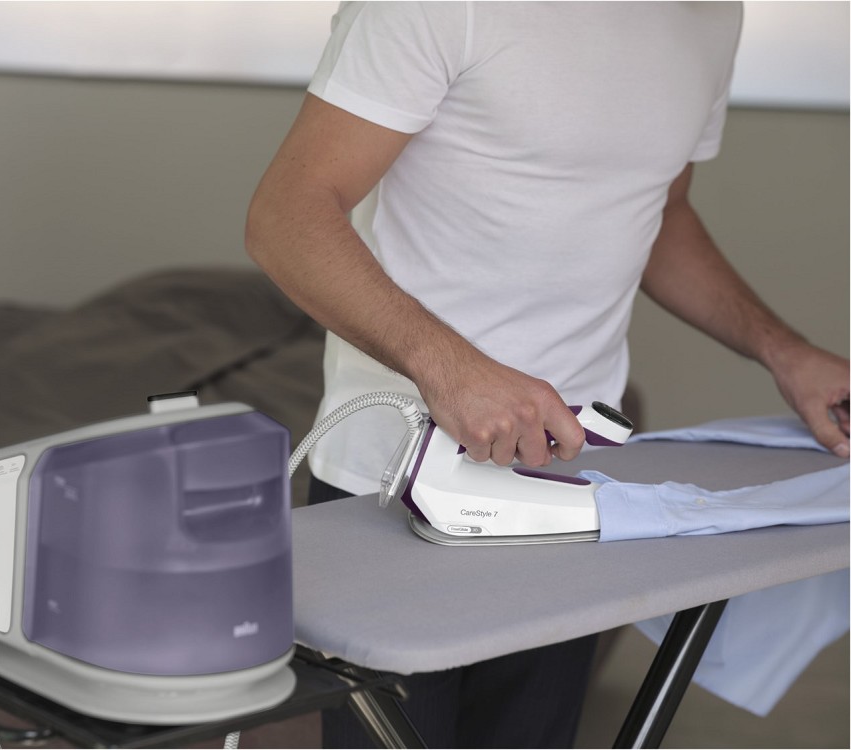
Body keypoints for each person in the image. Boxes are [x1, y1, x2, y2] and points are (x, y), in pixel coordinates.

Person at [245, 3, 850, 747]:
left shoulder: (712, 15)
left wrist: (785, 352)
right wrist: (453, 369)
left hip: (576, 489)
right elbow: (287, 215)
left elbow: (659, 210)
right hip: (393, 483)